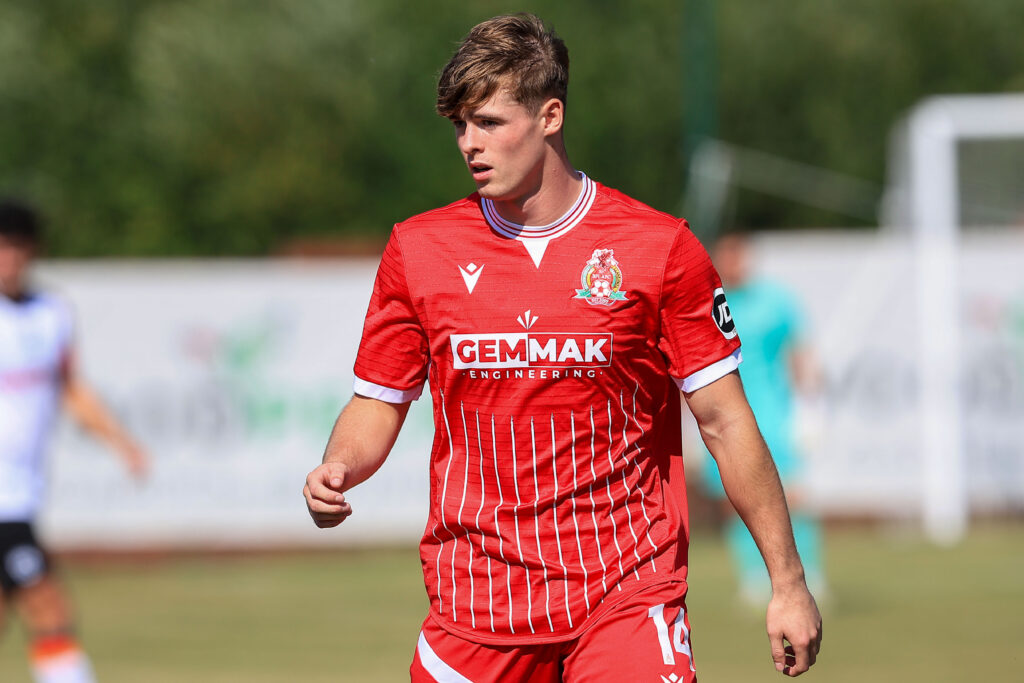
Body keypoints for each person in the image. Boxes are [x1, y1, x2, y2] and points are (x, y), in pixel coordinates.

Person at [304, 13, 821, 681]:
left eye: (489, 122)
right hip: (478, 601)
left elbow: (724, 421)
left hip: (627, 592)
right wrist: (338, 466)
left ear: (550, 116)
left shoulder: (660, 249)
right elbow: (378, 400)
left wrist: (787, 580)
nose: (469, 143)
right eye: (460, 125)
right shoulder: (419, 250)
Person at [0, 199, 148, 683]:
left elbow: (70, 388)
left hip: (22, 492)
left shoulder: (51, 313)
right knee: (48, 606)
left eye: (18, 247)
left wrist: (121, 441)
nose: (9, 259)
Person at [702, 230, 827, 606]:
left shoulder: (775, 301)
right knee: (735, 498)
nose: (734, 263)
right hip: (722, 416)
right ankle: (754, 577)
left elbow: (798, 353)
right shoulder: (705, 301)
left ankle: (809, 573)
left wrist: (809, 408)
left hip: (772, 413)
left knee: (791, 495)